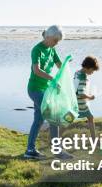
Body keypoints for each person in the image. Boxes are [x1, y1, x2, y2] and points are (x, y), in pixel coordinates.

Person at [25, 25, 71, 159]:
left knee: (39, 120)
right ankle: (56, 151)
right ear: (48, 37)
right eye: (55, 40)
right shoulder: (37, 49)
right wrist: (53, 79)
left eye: (58, 42)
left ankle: (30, 150)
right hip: (35, 89)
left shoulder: (52, 49)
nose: (56, 43)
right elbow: (36, 70)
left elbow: (59, 64)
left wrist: (66, 64)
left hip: (46, 89)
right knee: (54, 116)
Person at [73, 56, 99, 140]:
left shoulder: (77, 72)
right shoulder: (83, 77)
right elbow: (81, 93)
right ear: (89, 68)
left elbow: (77, 88)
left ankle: (56, 138)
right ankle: (94, 139)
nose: (92, 72)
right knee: (89, 118)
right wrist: (90, 97)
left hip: (74, 101)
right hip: (80, 103)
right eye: (92, 70)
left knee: (89, 118)